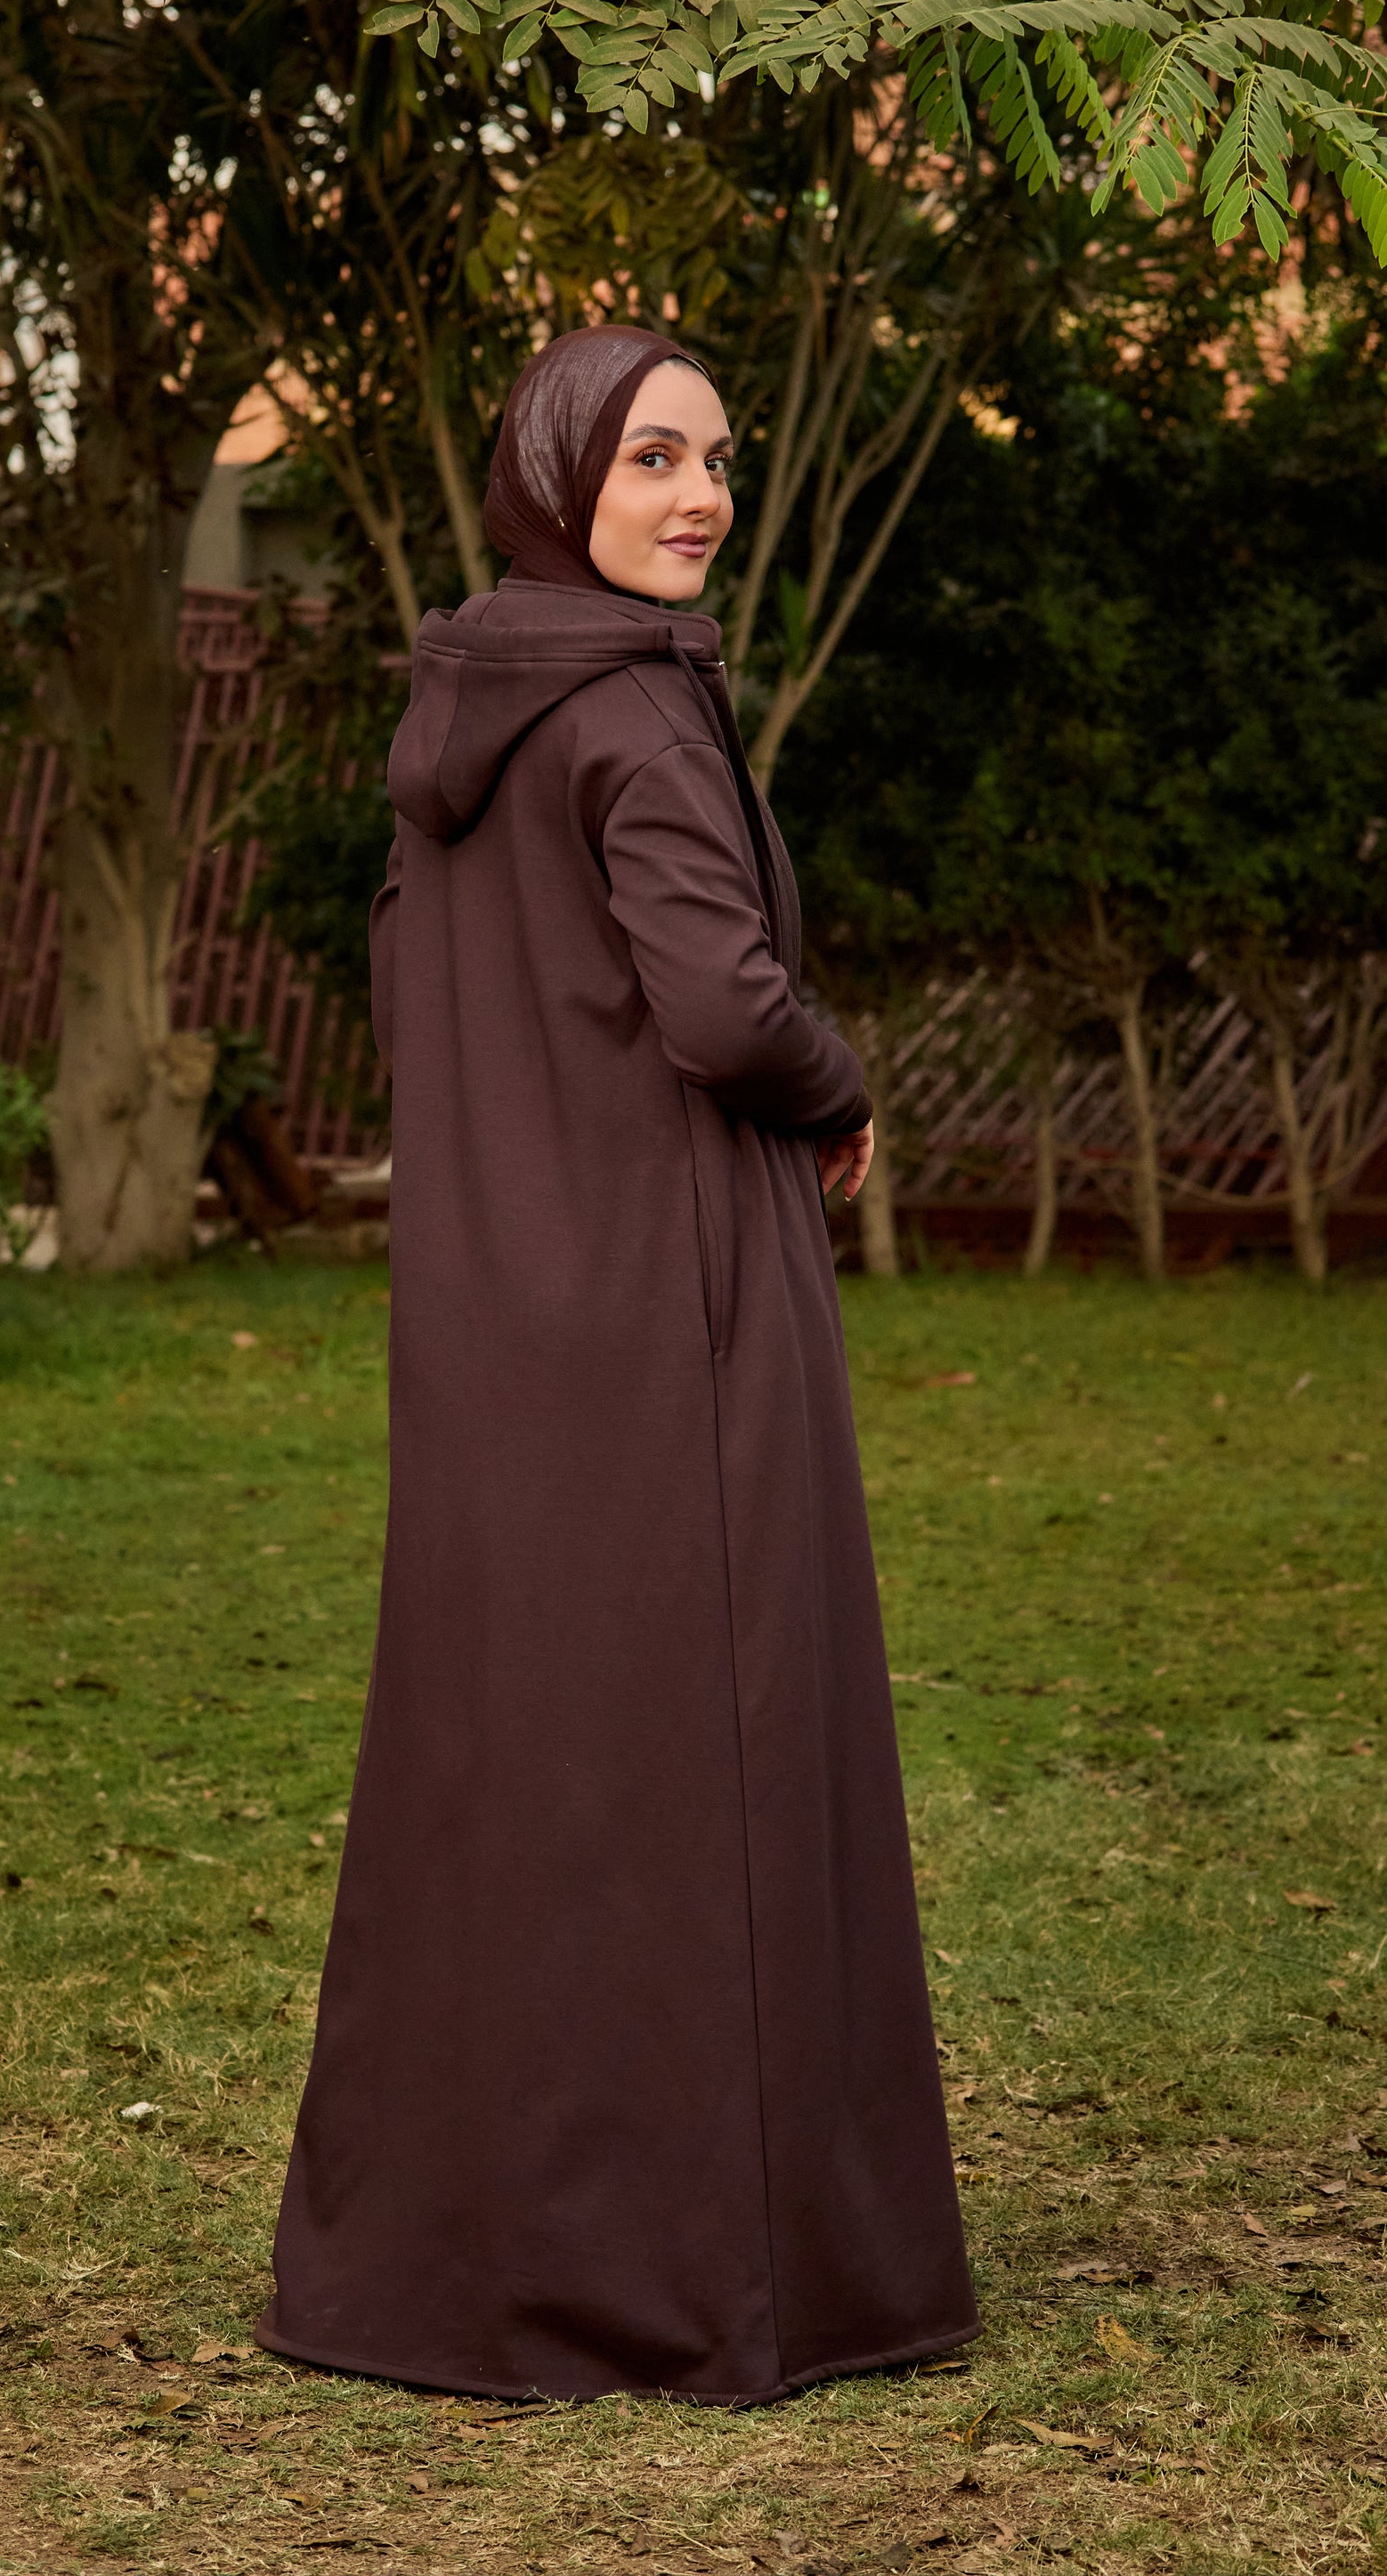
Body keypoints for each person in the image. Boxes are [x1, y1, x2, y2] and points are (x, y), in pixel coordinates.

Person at [254, 323, 977, 2403]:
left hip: (497, 1303)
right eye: (652, 456)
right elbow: (723, 1005)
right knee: (707, 1756)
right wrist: (837, 1083)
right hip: (674, 1295)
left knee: (511, 1760)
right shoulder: (638, 711)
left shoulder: (461, 710)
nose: (701, 496)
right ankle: (700, 2276)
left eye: (716, 460)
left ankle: (452, 2267)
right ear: (560, 470)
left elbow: (417, 995)